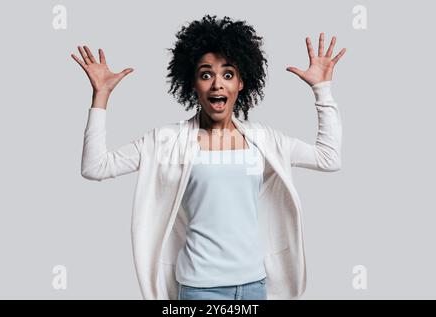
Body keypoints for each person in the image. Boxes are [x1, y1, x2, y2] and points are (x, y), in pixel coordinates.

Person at [71, 15, 346, 300]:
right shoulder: (167, 141)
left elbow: (329, 158)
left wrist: (322, 90)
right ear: (193, 84)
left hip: (254, 285)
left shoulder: (264, 140)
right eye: (206, 74)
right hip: (199, 288)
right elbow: (95, 167)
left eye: (228, 74)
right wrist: (100, 97)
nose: (217, 84)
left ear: (241, 83)